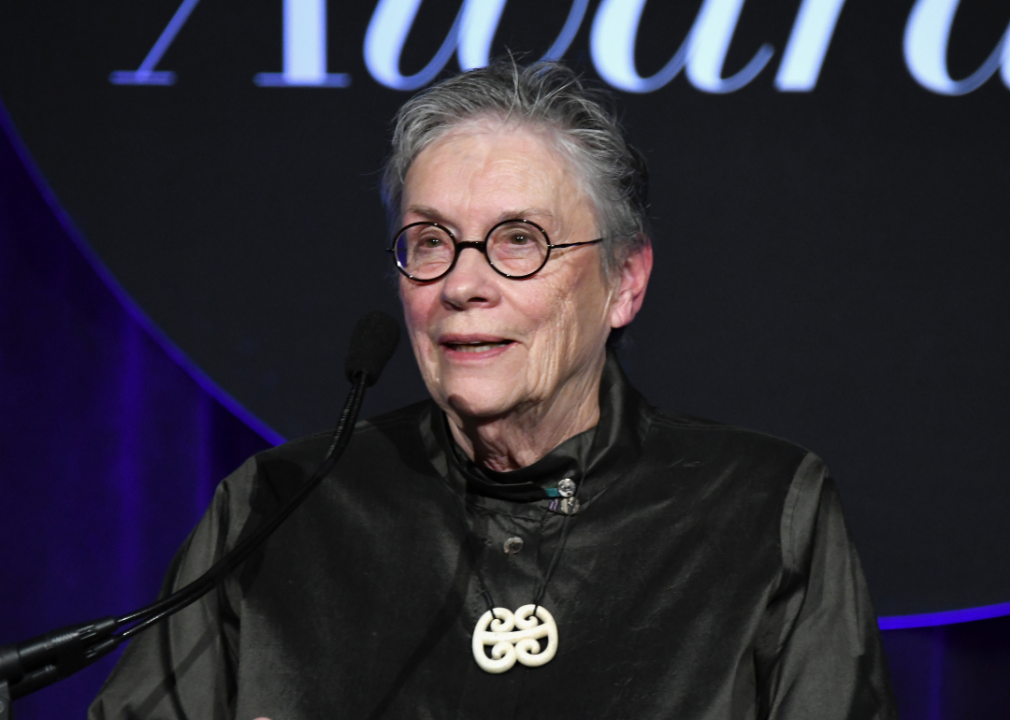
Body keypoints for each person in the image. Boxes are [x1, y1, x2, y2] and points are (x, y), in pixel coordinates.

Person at [89, 60, 897, 719]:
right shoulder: (278, 511)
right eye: (430, 242)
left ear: (624, 280)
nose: (463, 284)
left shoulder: (761, 513)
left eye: (519, 240)